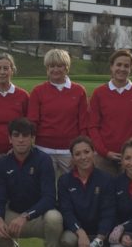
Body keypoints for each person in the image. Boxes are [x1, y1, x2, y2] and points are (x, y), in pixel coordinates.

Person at [0, 118, 65, 247]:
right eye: (16, 135)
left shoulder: (43, 160)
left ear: (32, 138)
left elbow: (49, 198)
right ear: (10, 139)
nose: (21, 140)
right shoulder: (3, 163)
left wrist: (26, 216)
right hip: (14, 216)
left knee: (55, 218)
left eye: (25, 135)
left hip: (38, 217)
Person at [57, 137, 114, 247]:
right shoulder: (64, 181)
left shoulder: (106, 179)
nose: (83, 157)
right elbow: (66, 211)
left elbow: (108, 213)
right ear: (72, 158)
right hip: (76, 233)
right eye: (77, 154)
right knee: (67, 240)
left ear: (94, 153)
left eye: (86, 152)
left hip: (98, 236)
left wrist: (98, 240)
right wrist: (80, 232)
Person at [87, 49, 132, 176]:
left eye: (126, 66)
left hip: (131, 158)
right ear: (111, 67)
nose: (122, 69)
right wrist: (104, 152)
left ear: (130, 68)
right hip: (104, 157)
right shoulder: (99, 93)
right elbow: (93, 126)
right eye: (118, 65)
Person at [27, 48, 88, 178]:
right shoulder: (38, 91)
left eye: (59, 66)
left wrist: (80, 150)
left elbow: (83, 123)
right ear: (47, 68)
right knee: (44, 186)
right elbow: (33, 121)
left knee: (74, 185)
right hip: (43, 150)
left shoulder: (79, 91)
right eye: (52, 66)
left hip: (70, 151)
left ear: (67, 67)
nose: (55, 69)